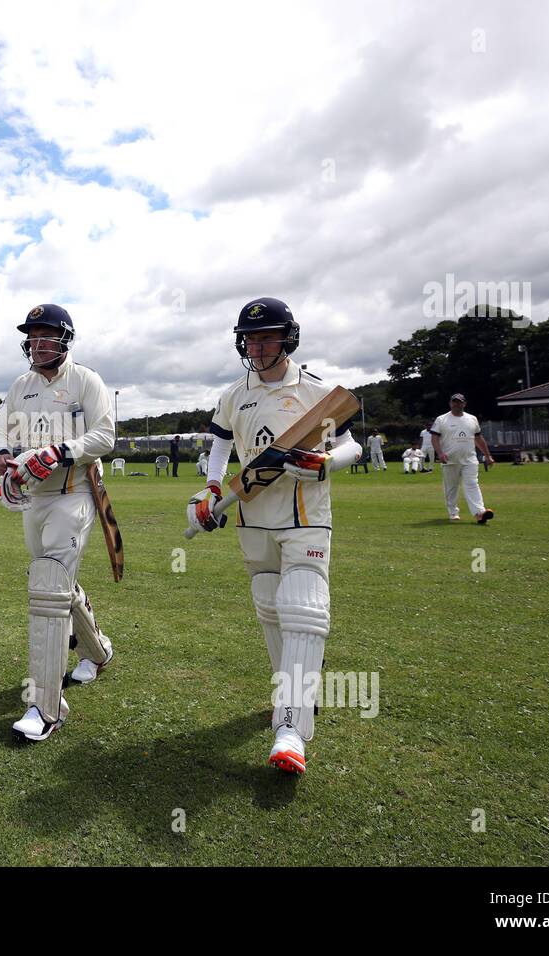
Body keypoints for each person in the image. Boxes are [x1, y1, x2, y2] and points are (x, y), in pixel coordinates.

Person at [187, 297, 362, 775]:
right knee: (269, 607)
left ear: (289, 338)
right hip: (251, 516)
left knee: (302, 611)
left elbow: (353, 447)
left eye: (268, 336)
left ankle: (290, 731)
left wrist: (326, 463)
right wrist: (210, 488)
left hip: (306, 516)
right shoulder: (233, 395)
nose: (258, 346)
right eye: (250, 337)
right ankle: (296, 693)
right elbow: (221, 449)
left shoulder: (316, 393)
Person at [0, 304, 116, 742]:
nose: (37, 345)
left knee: (47, 585)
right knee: (57, 582)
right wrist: (2, 455)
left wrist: (59, 452)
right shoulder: (21, 386)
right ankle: (98, 651)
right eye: (32, 338)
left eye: (46, 337)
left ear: (64, 340)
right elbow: (0, 430)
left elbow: (105, 436)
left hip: (73, 493)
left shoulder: (85, 380)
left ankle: (45, 708)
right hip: (32, 497)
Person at [430, 393, 495, 524]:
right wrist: (440, 453)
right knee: (451, 487)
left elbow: (478, 438)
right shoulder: (441, 419)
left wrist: (487, 455)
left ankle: (480, 512)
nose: (456, 404)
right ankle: (453, 512)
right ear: (450, 403)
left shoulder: (472, 419)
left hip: (470, 460)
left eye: (459, 402)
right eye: (454, 402)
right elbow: (434, 438)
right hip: (449, 460)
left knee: (472, 484)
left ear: (464, 404)